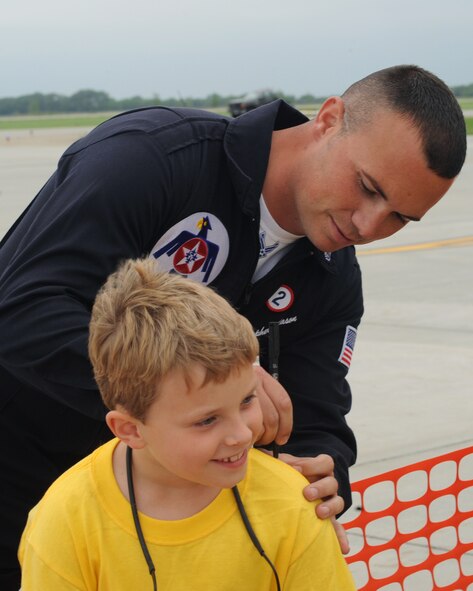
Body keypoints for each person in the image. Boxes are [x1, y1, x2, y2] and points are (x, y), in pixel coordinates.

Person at [0, 65, 466, 590]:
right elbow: (21, 310)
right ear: (330, 118)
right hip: (20, 468)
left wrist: (325, 472)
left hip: (151, 528)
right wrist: (204, 384)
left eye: (399, 217)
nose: (367, 226)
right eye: (366, 187)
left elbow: (317, 413)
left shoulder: (333, 278)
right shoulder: (151, 159)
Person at [19, 258, 356, 590]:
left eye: (247, 400)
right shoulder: (65, 520)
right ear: (131, 429)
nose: (242, 434)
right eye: (207, 420)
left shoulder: (290, 503)